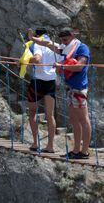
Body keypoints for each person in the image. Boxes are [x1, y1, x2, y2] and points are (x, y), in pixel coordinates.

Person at [30, 27, 91, 159]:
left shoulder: (81, 48)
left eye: (66, 39)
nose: (63, 42)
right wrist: (32, 39)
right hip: (70, 88)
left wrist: (61, 66)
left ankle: (84, 152)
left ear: (72, 36)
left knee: (83, 120)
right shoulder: (66, 47)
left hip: (79, 88)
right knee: (74, 120)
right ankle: (76, 151)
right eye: (62, 40)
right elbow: (47, 44)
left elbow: (80, 66)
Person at [25, 28, 57, 153]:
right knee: (50, 115)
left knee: (32, 112)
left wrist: (25, 60)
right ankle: (50, 146)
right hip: (51, 82)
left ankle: (35, 143)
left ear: (37, 36)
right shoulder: (54, 45)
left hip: (37, 82)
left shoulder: (38, 44)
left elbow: (37, 59)